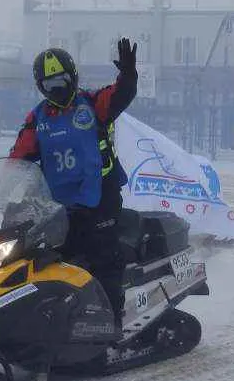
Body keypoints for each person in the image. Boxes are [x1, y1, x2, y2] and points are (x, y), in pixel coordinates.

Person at [10, 38, 138, 323]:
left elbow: (120, 95)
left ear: (73, 77)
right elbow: (18, 158)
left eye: (61, 81)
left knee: (103, 256)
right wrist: (3, 192)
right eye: (49, 85)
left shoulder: (93, 105)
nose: (57, 89)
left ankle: (111, 323)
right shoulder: (39, 118)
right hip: (57, 204)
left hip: (99, 196)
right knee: (44, 260)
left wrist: (128, 75)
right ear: (41, 87)